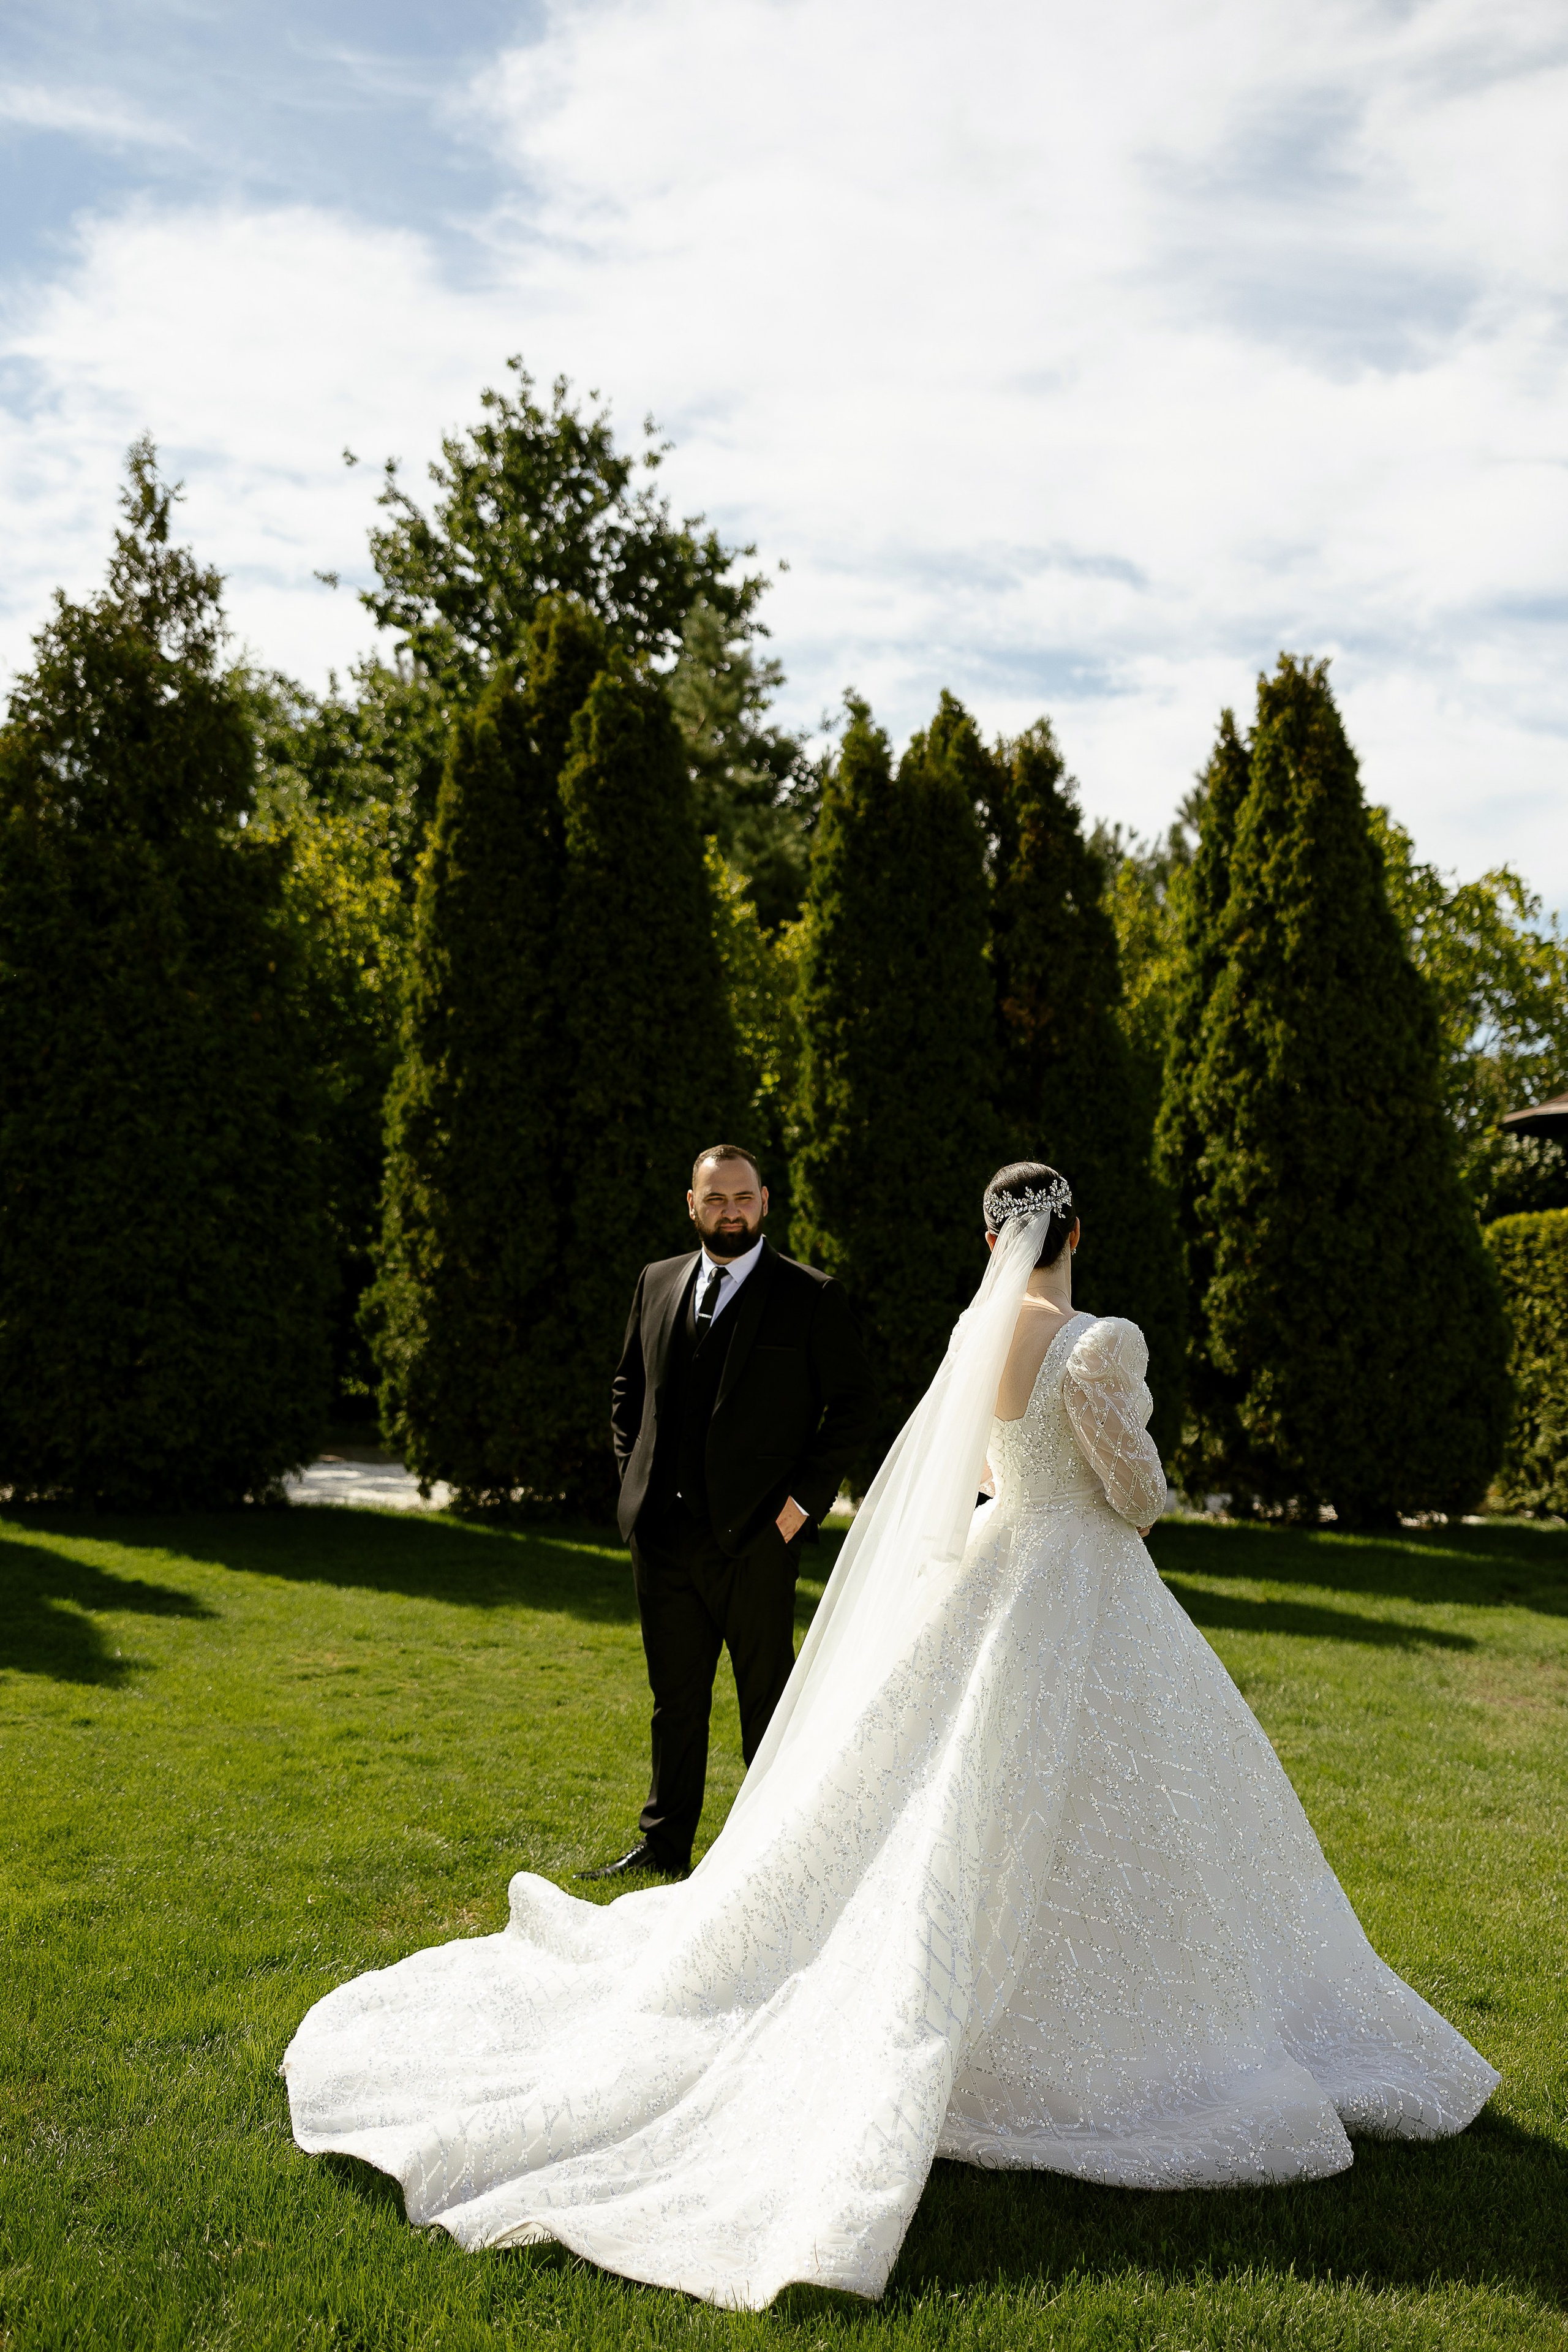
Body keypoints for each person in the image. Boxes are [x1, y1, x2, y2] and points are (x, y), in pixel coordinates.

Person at [284, 1160, 1497, 2310]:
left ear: (990, 1241)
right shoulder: (1101, 1343)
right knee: (1119, 1804)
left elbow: (973, 1476)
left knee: (942, 1796)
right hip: (1079, 1582)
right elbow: (1139, 1498)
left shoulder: (976, 1339)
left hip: (994, 1570)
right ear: (1071, 1235)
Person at [587, 1142, 878, 1879]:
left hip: (757, 1540)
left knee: (767, 1705)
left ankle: (769, 1857)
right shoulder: (655, 1282)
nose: (729, 1211)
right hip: (662, 1537)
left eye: (741, 1198)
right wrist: (633, 1478)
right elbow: (627, 1389)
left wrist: (798, 1510)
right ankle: (663, 1847)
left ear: (765, 1202)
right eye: (714, 1199)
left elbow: (851, 1411)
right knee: (673, 1703)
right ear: (692, 1205)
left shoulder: (810, 1296)